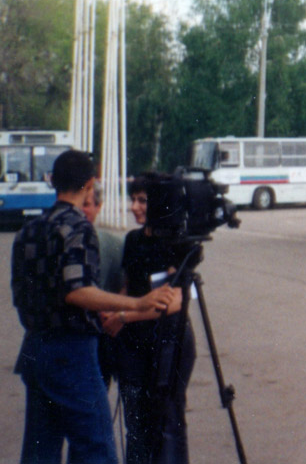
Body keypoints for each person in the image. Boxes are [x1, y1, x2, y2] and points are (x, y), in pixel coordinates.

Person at [10, 149, 175, 464]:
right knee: (97, 449)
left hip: (35, 349)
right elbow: (77, 290)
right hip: (71, 352)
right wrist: (137, 302)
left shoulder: (30, 229)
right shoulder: (77, 226)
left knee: (39, 450)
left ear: (52, 180)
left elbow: (22, 293)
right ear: (89, 183)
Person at [104, 173, 196, 464]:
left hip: (169, 343)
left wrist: (123, 316)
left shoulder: (176, 243)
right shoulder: (132, 240)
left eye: (142, 200)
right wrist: (112, 309)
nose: (134, 207)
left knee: (167, 422)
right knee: (135, 425)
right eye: (132, 199)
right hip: (133, 346)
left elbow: (175, 302)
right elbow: (128, 286)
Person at [79, 186, 124, 387]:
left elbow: (125, 286)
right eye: (78, 203)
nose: (81, 210)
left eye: (87, 204)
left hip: (98, 345)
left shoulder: (114, 244)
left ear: (99, 207)